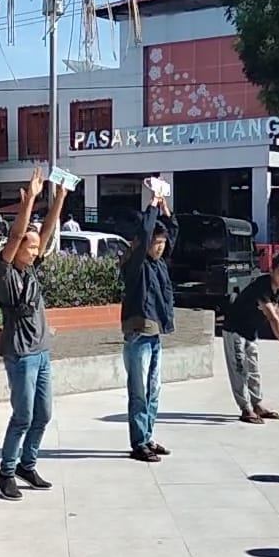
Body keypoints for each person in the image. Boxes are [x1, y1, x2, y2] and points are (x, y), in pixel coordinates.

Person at [0, 167, 70, 501]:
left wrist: (60, 197)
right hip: (20, 353)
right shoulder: (5, 271)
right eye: (31, 247)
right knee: (23, 416)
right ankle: (6, 472)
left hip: (41, 352)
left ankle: (28, 464)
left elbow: (47, 232)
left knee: (44, 414)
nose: (35, 251)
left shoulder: (31, 269)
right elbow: (15, 238)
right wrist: (31, 201)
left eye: (37, 248)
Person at [121, 193, 178, 462]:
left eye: (162, 243)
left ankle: (148, 435)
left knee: (154, 390)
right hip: (138, 334)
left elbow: (174, 236)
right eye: (156, 243)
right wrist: (152, 206)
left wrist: (166, 211)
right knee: (140, 391)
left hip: (156, 335)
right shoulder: (136, 264)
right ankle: (138, 442)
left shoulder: (160, 265)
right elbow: (145, 234)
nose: (160, 247)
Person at [222, 253, 279, 424]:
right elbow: (273, 317)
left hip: (251, 333)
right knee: (240, 369)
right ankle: (245, 409)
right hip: (235, 331)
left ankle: (257, 404)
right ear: (271, 270)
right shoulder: (262, 286)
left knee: (254, 370)